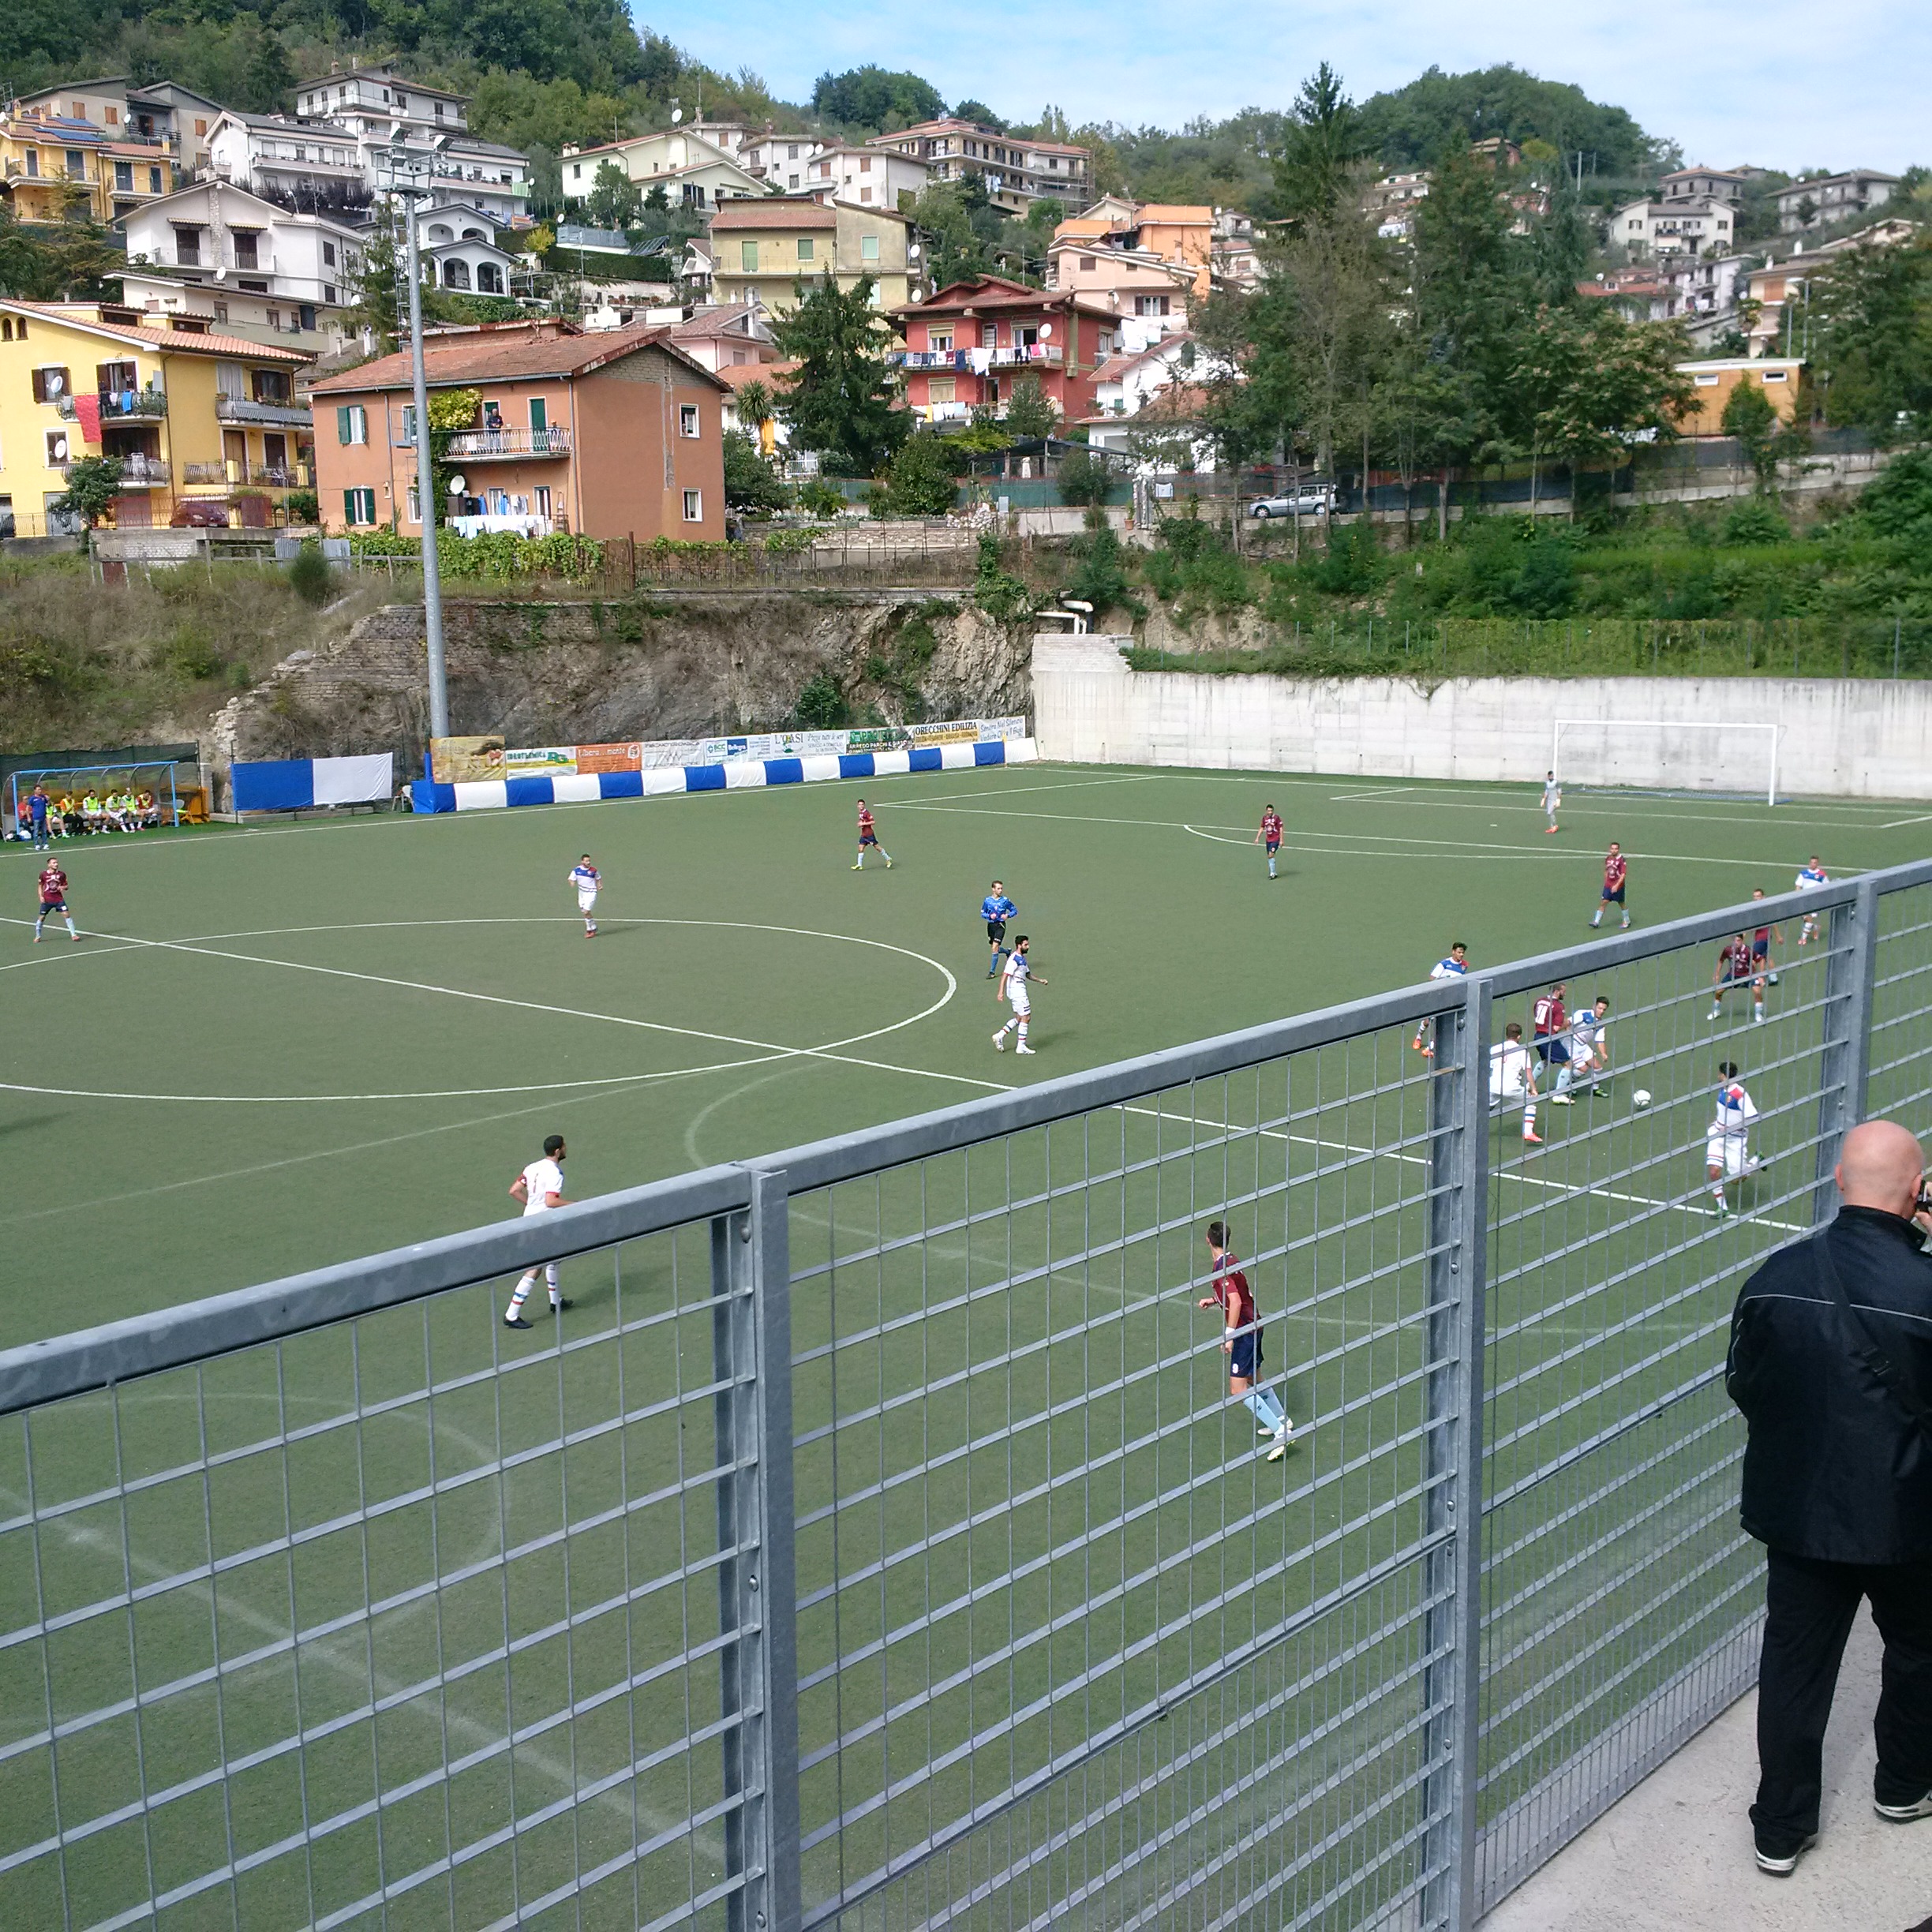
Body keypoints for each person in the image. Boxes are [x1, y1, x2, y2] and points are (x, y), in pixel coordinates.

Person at [1724, 1118, 1932, 1877]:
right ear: (1917, 1193)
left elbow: (1746, 1387)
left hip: (1800, 1515)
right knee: (1919, 1651)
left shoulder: (1774, 1276)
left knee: (1794, 1666)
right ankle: (1903, 1787)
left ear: (1840, 1183)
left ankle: (1779, 1829)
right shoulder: (1927, 1288)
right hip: (1910, 1520)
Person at [1198, 1222, 1291, 1461]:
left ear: (1208, 1240)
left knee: (1238, 1389)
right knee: (1253, 1377)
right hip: (1255, 1325)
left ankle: (1281, 1434)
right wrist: (1214, 1300)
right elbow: (1237, 1293)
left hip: (1244, 1331)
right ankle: (1282, 1420)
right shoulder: (1232, 1260)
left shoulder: (1221, 1269)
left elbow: (1237, 1302)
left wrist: (1230, 1336)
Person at [503, 1134, 573, 1328]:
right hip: (542, 1224)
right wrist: (576, 1206)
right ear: (558, 1151)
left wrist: (531, 1205)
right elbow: (551, 1201)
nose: (566, 1149)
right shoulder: (555, 1173)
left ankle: (555, 1301)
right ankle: (511, 1315)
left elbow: (514, 1190)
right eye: (564, 1147)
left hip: (531, 1220)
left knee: (554, 1257)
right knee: (535, 1268)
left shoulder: (532, 1167)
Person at [1707, 1061, 1765, 1216]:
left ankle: (1756, 1161)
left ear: (1724, 1076)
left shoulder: (1740, 1095)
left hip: (1735, 1140)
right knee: (1714, 1171)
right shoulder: (1723, 1089)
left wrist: (1732, 1127)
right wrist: (1719, 1122)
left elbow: (1753, 1117)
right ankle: (1722, 1208)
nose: (1718, 1076)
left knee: (1737, 1179)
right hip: (1717, 1135)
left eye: (1720, 1074)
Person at [1412, 942, 1469, 1058]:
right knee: (1428, 1021)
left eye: (1462, 952)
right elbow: (1432, 978)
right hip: (1440, 995)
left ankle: (1429, 1049)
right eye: (1459, 952)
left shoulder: (1464, 965)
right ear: (1453, 952)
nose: (1461, 955)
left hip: (1453, 998)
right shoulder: (1444, 964)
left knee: (1445, 1023)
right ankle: (1418, 1037)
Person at [1489, 1020, 1543, 1144]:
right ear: (1519, 1036)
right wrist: (1533, 1089)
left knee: (1486, 1108)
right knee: (1530, 1103)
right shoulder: (1522, 1051)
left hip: (1493, 1085)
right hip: (1511, 1087)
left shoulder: (1495, 1049)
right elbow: (1528, 1072)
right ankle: (1528, 1132)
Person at [992, 934, 1046, 1054]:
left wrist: (1040, 980)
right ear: (1019, 945)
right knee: (1026, 1017)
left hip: (1017, 991)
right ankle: (1021, 1047)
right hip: (1018, 992)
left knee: (1019, 1018)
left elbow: (1028, 974)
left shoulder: (1022, 959)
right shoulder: (1014, 959)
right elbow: (1005, 975)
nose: (1028, 947)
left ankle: (999, 1036)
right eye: (1026, 945)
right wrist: (1000, 992)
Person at [1555, 994, 1612, 1100]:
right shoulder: (1583, 1014)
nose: (1601, 1011)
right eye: (1599, 1008)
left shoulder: (1601, 1024)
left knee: (1598, 1067)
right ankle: (1567, 1085)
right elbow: (1568, 1022)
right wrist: (1556, 1030)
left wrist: (1603, 1053)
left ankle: (1595, 1089)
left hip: (1583, 1046)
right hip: (1571, 1043)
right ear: (1594, 1006)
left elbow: (1600, 1041)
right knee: (1583, 1068)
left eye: (1604, 1009)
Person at [1710, 930, 1762, 1024]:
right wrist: (1717, 973)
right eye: (1735, 941)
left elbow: (1760, 959)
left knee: (1757, 991)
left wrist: (1761, 975)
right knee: (1718, 991)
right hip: (1732, 975)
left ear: (1742, 941)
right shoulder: (1728, 950)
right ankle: (1716, 1011)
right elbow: (1721, 960)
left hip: (1748, 975)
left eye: (1738, 940)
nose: (1736, 943)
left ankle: (1758, 1014)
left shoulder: (1748, 951)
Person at [1532, 982, 1570, 1091]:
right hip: (1548, 1037)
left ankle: (1529, 1086)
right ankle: (1559, 1093)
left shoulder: (1540, 1000)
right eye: (1563, 991)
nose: (1565, 994)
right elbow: (1557, 1028)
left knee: (1545, 1060)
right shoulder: (1558, 1006)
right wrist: (1566, 1024)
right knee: (1567, 1064)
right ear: (1557, 991)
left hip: (1538, 1035)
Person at [33, 858, 78, 942]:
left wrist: (62, 887)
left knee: (67, 914)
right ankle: (38, 935)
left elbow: (66, 886)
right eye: (54, 863)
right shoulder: (43, 874)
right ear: (49, 865)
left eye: (57, 863)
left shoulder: (62, 875)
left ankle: (74, 935)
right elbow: (40, 886)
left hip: (58, 899)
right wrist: (40, 896)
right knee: (42, 917)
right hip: (47, 900)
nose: (56, 864)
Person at [980, 879, 1017, 978]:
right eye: (998, 888)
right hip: (991, 926)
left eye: (1001, 888)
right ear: (993, 889)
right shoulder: (988, 901)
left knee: (994, 947)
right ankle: (1006, 951)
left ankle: (992, 972)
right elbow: (983, 913)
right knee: (994, 948)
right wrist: (989, 916)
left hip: (1000, 925)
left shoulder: (1005, 900)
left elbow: (1014, 910)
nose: (1000, 890)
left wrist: (1008, 916)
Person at [1589, 841, 1630, 929]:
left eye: (1616, 849)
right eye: (1612, 849)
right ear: (1610, 849)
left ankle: (1627, 921)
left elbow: (1623, 874)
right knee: (1604, 902)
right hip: (1608, 885)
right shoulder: (1608, 858)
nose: (1614, 850)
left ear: (1618, 850)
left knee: (1621, 903)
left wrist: (1617, 885)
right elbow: (1607, 870)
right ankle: (1596, 922)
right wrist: (1606, 881)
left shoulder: (1621, 860)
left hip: (1618, 886)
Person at [1750, 888, 1784, 993]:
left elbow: (1773, 923)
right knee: (1766, 957)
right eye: (1755, 896)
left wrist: (1778, 936)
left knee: (1754, 957)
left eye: (1758, 896)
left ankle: (1760, 978)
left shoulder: (1764, 909)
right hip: (1761, 937)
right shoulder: (1755, 909)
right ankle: (1773, 978)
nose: (1756, 898)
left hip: (1763, 937)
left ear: (1763, 897)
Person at [1795, 856, 1829, 947]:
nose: (1813, 864)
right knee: (1805, 918)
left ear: (1817, 864)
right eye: (1812, 862)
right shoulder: (1803, 874)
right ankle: (1815, 927)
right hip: (1805, 900)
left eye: (1815, 863)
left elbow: (1827, 887)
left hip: (1816, 901)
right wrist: (1798, 897)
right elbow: (1798, 886)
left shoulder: (1822, 875)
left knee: (1809, 919)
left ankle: (1803, 939)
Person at [852, 797, 891, 871]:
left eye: (862, 805)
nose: (861, 806)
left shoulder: (867, 813)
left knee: (877, 847)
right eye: (859, 805)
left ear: (864, 805)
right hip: (863, 835)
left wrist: (863, 823)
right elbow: (862, 820)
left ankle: (888, 859)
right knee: (860, 848)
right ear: (857, 806)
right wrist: (860, 823)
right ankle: (859, 865)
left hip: (869, 834)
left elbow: (873, 822)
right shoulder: (861, 813)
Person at [567, 853, 600, 938]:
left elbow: (598, 878)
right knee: (585, 913)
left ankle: (589, 930)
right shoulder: (577, 870)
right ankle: (594, 927)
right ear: (582, 861)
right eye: (586, 861)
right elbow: (571, 878)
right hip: (582, 894)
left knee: (586, 911)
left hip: (591, 893)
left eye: (589, 861)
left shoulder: (593, 870)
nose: (588, 862)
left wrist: (599, 885)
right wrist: (572, 883)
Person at [1254, 802, 1284, 878]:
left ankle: (1272, 874)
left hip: (1275, 839)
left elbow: (1281, 828)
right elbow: (1262, 828)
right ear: (1266, 811)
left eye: (1271, 811)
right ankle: (1274, 872)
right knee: (1270, 856)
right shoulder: (1264, 818)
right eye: (1269, 811)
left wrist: (1281, 840)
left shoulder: (1277, 818)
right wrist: (1257, 838)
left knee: (1271, 854)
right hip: (1268, 840)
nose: (1270, 812)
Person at [24, 783, 51, 850]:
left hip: (43, 817)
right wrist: (29, 817)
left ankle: (45, 844)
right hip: (36, 818)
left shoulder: (43, 797)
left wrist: (48, 800)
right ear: (35, 791)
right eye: (38, 790)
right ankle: (36, 844)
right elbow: (27, 808)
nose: (40, 791)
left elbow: (48, 804)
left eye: (40, 789)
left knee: (44, 831)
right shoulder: (32, 799)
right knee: (36, 831)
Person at [1541, 769, 1562, 835]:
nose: (1551, 777)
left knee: (1550, 813)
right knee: (1551, 813)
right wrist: (1543, 799)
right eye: (1550, 776)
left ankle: (1555, 826)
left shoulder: (1556, 783)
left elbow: (1559, 792)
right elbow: (1546, 792)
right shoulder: (1547, 783)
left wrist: (1558, 800)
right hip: (1549, 800)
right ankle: (1552, 827)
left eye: (1552, 776)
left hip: (1554, 800)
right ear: (1548, 776)